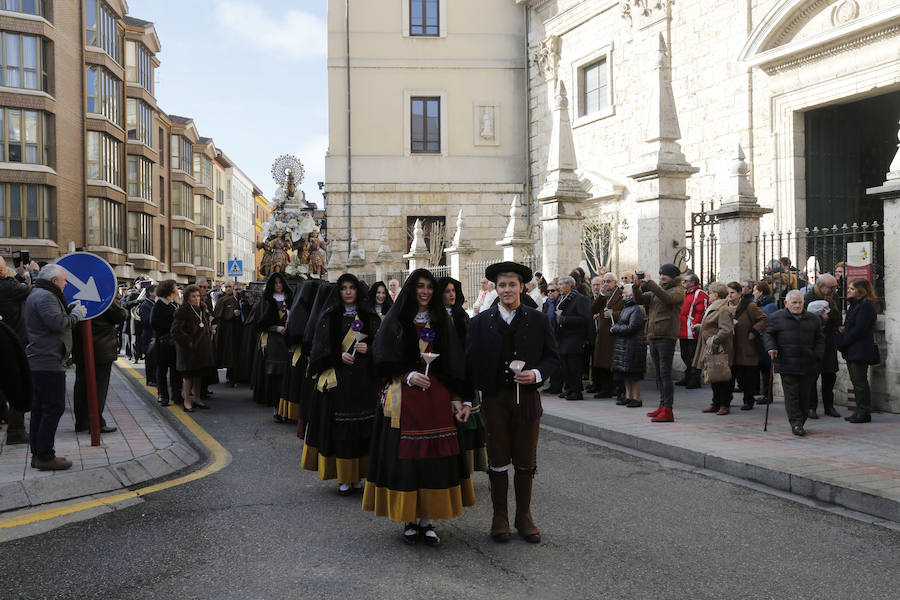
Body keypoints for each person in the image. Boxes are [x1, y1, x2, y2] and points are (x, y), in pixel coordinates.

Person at [364, 269, 474, 546]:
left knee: (435, 459)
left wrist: (457, 396)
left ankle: (428, 520)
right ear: (412, 289)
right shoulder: (397, 319)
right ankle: (410, 519)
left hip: (436, 398)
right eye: (420, 287)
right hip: (405, 398)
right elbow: (382, 357)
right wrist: (407, 374)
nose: (425, 292)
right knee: (408, 459)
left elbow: (454, 361)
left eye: (429, 287)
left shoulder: (441, 321)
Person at [466, 262, 559, 544]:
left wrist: (537, 373)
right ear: (495, 288)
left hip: (527, 400)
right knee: (497, 458)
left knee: (525, 459)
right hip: (494, 400)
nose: (507, 290)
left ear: (522, 287)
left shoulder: (538, 319)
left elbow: (552, 357)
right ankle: (500, 517)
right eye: (502, 285)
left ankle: (524, 516)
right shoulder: (479, 323)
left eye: (512, 284)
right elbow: (469, 362)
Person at [301, 274, 380, 495]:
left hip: (364, 381)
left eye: (351, 288)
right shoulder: (330, 316)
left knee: (363, 429)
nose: (347, 292)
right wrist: (338, 356)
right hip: (341, 381)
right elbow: (318, 349)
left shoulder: (369, 316)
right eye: (344, 288)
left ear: (357, 290)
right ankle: (345, 477)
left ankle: (359, 476)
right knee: (343, 430)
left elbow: (383, 346)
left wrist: (369, 349)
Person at [25, 264, 88, 470]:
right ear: (54, 281)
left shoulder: (40, 293)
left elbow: (51, 319)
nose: (66, 283)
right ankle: (45, 455)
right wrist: (76, 314)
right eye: (63, 280)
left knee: (40, 409)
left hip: (41, 360)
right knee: (53, 407)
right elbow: (58, 323)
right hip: (47, 361)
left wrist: (67, 310)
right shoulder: (46, 296)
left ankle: (38, 454)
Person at [438, 276, 487, 474]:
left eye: (453, 291)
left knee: (466, 424)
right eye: (447, 291)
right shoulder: (434, 317)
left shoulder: (461, 316)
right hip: (443, 375)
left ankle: (465, 468)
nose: (452, 294)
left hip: (464, 373)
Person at [763, 289, 824, 436]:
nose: (797, 306)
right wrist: (771, 348)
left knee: (804, 395)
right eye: (794, 302)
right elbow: (768, 334)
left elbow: (820, 339)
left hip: (808, 363)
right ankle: (796, 423)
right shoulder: (776, 318)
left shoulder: (813, 319)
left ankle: (801, 421)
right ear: (786, 303)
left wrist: (817, 355)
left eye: (800, 302)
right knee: (792, 395)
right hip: (787, 362)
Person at [634, 264, 685, 422]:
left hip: (667, 336)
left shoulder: (677, 290)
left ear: (673, 276)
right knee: (659, 375)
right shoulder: (659, 289)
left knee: (665, 374)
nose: (662, 276)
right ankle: (662, 405)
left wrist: (650, 284)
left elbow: (668, 299)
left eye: (665, 275)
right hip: (655, 335)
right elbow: (641, 299)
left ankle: (668, 409)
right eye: (660, 274)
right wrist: (636, 287)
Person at [72, 296, 126, 433]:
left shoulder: (75, 293)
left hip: (80, 344)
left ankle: (82, 422)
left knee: (81, 384)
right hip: (102, 347)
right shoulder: (103, 294)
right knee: (99, 387)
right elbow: (119, 316)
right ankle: (96, 423)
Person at [838, 279, 879, 423]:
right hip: (852, 348)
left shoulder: (867, 306)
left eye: (852, 289)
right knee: (856, 382)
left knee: (860, 382)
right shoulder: (855, 305)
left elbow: (859, 329)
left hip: (860, 349)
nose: (848, 291)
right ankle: (859, 410)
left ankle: (864, 412)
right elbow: (850, 325)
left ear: (861, 290)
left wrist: (844, 341)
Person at [252, 273, 294, 416]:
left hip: (289, 340)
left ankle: (287, 409)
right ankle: (276, 408)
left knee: (288, 377)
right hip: (274, 342)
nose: (278, 285)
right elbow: (260, 323)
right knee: (276, 376)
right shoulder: (267, 300)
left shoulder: (291, 298)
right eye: (275, 283)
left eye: (280, 282)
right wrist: (276, 328)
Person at [689, 282, 734, 415]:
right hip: (709, 347)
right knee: (713, 375)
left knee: (721, 376)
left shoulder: (723, 309)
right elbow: (710, 325)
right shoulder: (714, 307)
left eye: (710, 292)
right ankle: (716, 402)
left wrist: (714, 339)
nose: (709, 295)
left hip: (718, 348)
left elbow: (726, 330)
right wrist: (699, 327)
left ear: (716, 294)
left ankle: (724, 404)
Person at [0, 260, 32, 444]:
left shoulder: (10, 287)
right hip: (12, 343)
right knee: (16, 387)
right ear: (3, 270)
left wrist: (19, 275)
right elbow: (32, 288)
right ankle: (16, 431)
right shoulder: (9, 288)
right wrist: (32, 273)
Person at [171, 284, 214, 412]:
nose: (197, 299)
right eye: (193, 296)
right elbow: (175, 330)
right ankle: (187, 401)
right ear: (187, 298)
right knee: (188, 376)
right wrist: (189, 342)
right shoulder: (182, 310)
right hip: (188, 351)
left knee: (198, 375)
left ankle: (197, 399)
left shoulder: (202, 308)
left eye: (198, 296)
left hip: (201, 349)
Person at [804, 274, 842, 419]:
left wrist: (832, 307)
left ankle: (829, 406)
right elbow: (805, 320)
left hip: (829, 341)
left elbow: (838, 320)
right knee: (812, 377)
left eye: (835, 287)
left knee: (830, 375)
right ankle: (811, 407)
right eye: (831, 287)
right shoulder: (808, 298)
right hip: (813, 342)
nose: (834, 290)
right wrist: (820, 318)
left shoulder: (834, 297)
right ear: (820, 287)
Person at [727, 281, 767, 411]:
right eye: (728, 293)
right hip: (730, 346)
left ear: (739, 293)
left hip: (746, 345)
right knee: (729, 376)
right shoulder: (725, 306)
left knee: (747, 376)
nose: (730, 296)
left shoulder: (749, 306)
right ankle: (726, 400)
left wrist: (754, 331)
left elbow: (764, 319)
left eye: (732, 293)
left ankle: (748, 400)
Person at [555, 275, 592, 401]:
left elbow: (584, 319)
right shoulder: (561, 298)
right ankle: (569, 389)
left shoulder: (580, 299)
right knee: (565, 366)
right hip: (563, 337)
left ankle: (576, 391)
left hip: (575, 338)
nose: (559, 287)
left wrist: (564, 319)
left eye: (561, 284)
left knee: (574, 367)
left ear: (569, 285)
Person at [611, 284, 647, 408]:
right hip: (624, 345)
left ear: (631, 293)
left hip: (634, 345)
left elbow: (632, 327)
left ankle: (637, 398)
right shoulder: (626, 307)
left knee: (634, 374)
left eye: (625, 291)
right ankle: (628, 396)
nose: (622, 293)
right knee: (625, 373)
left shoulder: (637, 308)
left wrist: (615, 328)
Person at [150, 280, 182, 406]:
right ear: (169, 289)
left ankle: (176, 394)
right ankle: (163, 395)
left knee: (176, 370)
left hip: (174, 342)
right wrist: (172, 327)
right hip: (163, 342)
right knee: (162, 370)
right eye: (175, 287)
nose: (176, 288)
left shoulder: (173, 304)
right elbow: (154, 323)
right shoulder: (159, 305)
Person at [590, 271, 622, 399]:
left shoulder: (620, 294)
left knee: (611, 363)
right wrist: (601, 294)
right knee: (602, 363)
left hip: (614, 334)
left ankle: (614, 388)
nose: (606, 284)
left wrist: (614, 314)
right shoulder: (603, 295)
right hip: (602, 334)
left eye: (608, 281)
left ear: (616, 283)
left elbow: (628, 311)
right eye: (604, 281)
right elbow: (593, 309)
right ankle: (605, 388)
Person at [676, 273, 707, 390]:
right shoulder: (684, 294)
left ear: (692, 283)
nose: (683, 283)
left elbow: (701, 311)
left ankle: (695, 379)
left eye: (685, 281)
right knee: (685, 354)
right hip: (682, 329)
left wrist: (696, 325)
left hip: (692, 330)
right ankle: (688, 375)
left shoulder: (700, 294)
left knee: (693, 355)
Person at [213, 282, 242, 386]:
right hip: (227, 333)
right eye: (227, 287)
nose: (229, 289)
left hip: (236, 332)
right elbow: (218, 315)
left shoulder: (240, 300)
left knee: (233, 355)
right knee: (229, 354)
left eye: (231, 287)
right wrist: (232, 314)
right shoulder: (223, 300)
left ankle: (233, 376)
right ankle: (231, 377)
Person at [138, 285, 157, 386]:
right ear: (150, 293)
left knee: (155, 359)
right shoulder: (145, 305)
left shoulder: (153, 303)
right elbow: (145, 321)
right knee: (150, 359)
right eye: (156, 291)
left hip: (153, 334)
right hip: (148, 335)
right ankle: (150, 380)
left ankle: (154, 379)